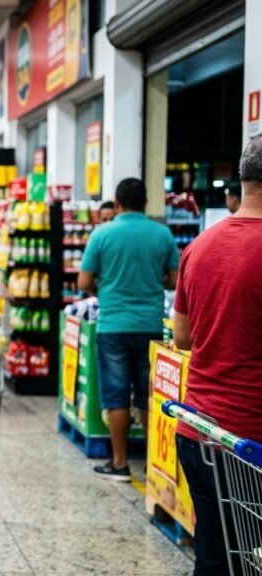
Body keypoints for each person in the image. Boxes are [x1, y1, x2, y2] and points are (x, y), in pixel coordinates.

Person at [172, 136, 262, 576]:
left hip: (199, 430)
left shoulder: (199, 246)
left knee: (214, 555)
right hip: (251, 439)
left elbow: (183, 338)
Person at [78, 178, 179, 481]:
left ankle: (119, 463)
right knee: (148, 395)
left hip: (113, 326)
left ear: (117, 203)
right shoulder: (162, 234)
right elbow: (175, 281)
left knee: (116, 397)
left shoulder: (103, 233)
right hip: (150, 325)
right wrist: (151, 282)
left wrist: (107, 285)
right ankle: (152, 463)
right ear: (146, 202)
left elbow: (84, 283)